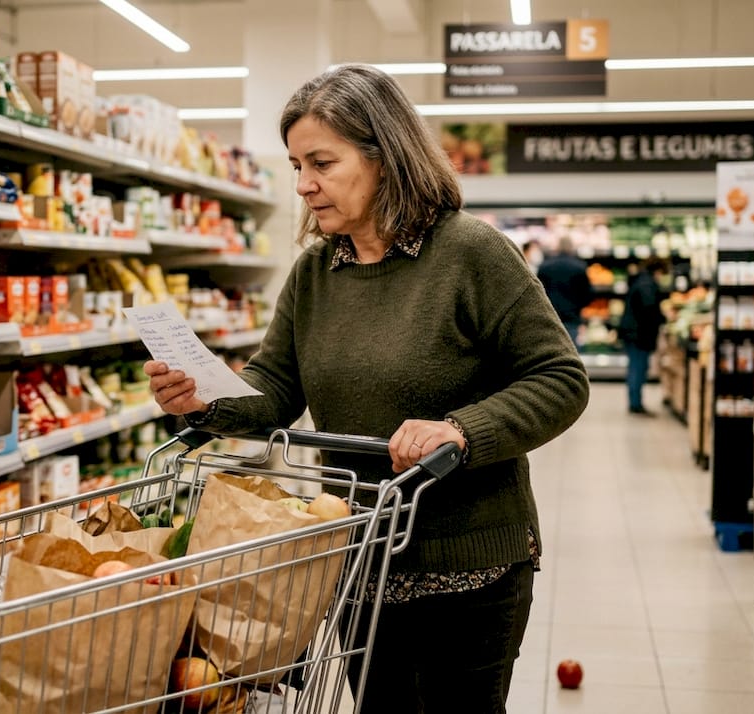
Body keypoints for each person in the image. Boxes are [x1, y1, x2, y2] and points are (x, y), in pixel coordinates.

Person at [143, 64, 589, 713]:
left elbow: (560, 377)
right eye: (297, 164)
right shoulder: (316, 273)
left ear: (385, 156)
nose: (303, 185)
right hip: (359, 559)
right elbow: (275, 388)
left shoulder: (472, 255)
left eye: (321, 162)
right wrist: (206, 400)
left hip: (468, 567)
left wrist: (461, 431)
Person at [618, 256, 672, 415]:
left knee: (636, 367)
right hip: (638, 333)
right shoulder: (647, 284)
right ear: (658, 271)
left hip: (633, 331)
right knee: (638, 367)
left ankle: (635, 401)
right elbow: (648, 309)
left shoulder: (640, 280)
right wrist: (663, 318)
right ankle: (635, 404)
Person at [535, 236, 594, 345]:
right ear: (571, 247)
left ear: (557, 247)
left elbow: (537, 292)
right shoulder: (580, 267)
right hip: (572, 317)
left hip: (550, 315)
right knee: (571, 349)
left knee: (550, 350)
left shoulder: (545, 266)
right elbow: (587, 294)